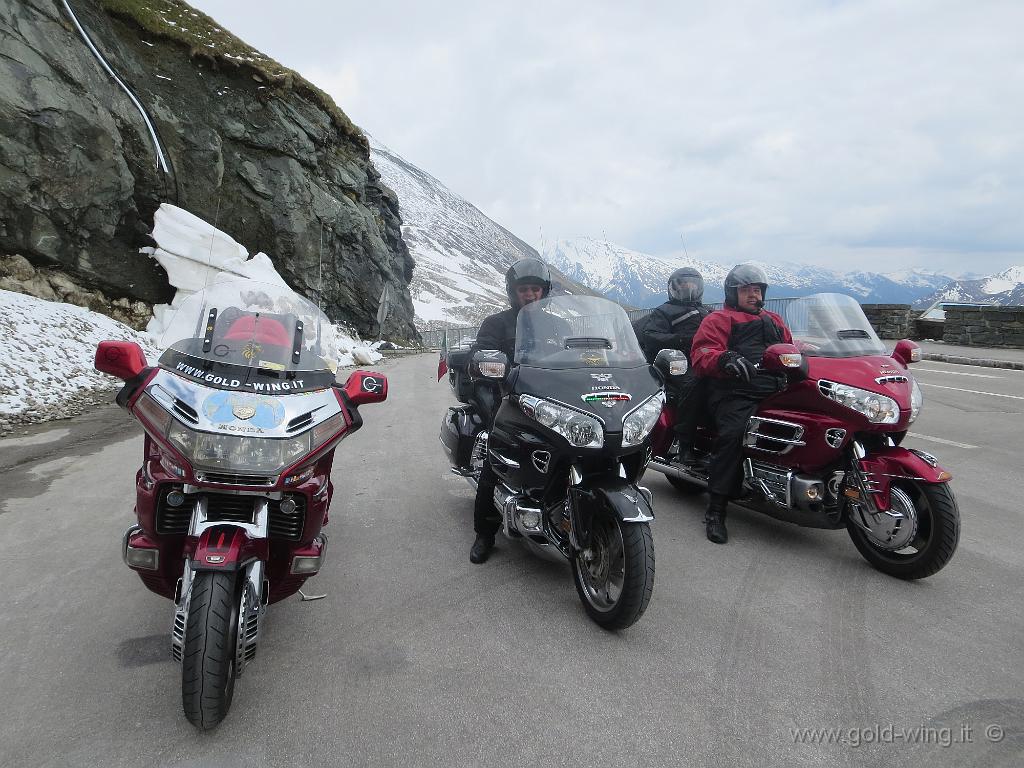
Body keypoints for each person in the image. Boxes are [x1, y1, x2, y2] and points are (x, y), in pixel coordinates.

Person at [690, 264, 793, 544]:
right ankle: (716, 509)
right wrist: (725, 359)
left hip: (775, 388)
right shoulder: (719, 319)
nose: (752, 295)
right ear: (732, 293)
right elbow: (702, 353)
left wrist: (811, 353)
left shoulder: (774, 319)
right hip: (734, 391)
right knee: (734, 435)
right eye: (746, 290)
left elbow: (790, 348)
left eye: (757, 290)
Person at [469, 257, 552, 564]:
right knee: (498, 455)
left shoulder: (559, 324)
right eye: (524, 290)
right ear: (513, 292)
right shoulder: (497, 323)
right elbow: (481, 355)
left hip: (551, 398)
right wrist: (492, 362)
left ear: (544, 292)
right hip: (509, 397)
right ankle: (484, 534)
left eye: (535, 289)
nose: (530, 295)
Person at [640, 268, 711, 463]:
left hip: (706, 361)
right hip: (676, 363)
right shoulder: (665, 311)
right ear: (673, 288)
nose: (688, 290)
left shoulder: (708, 312)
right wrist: (681, 340)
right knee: (693, 386)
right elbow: (650, 336)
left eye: (692, 286)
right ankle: (685, 445)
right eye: (684, 286)